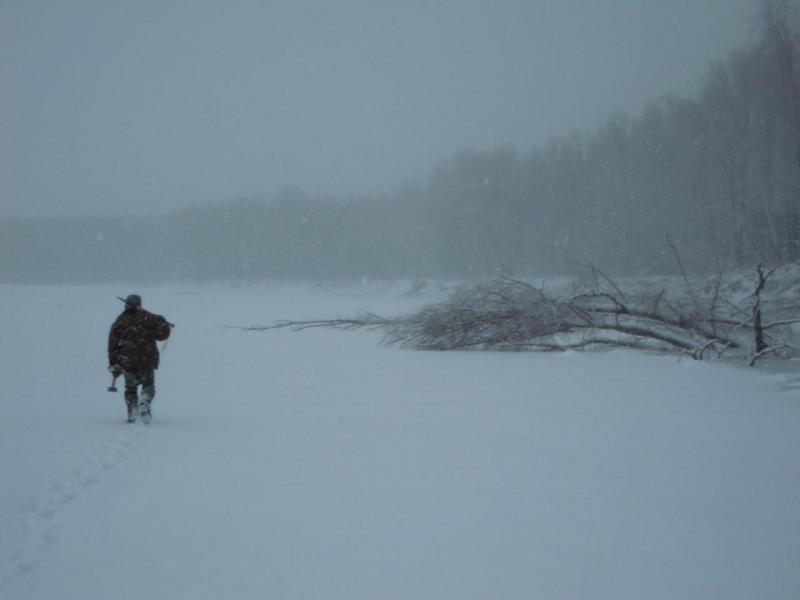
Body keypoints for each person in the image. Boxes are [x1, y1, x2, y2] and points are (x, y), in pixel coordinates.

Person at [108, 294, 172, 423]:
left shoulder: (120, 321)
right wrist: (162, 322)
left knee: (130, 388)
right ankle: (145, 399)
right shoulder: (149, 318)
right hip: (146, 358)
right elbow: (163, 335)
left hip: (127, 361)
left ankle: (133, 413)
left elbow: (112, 344)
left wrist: (114, 362)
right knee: (148, 384)